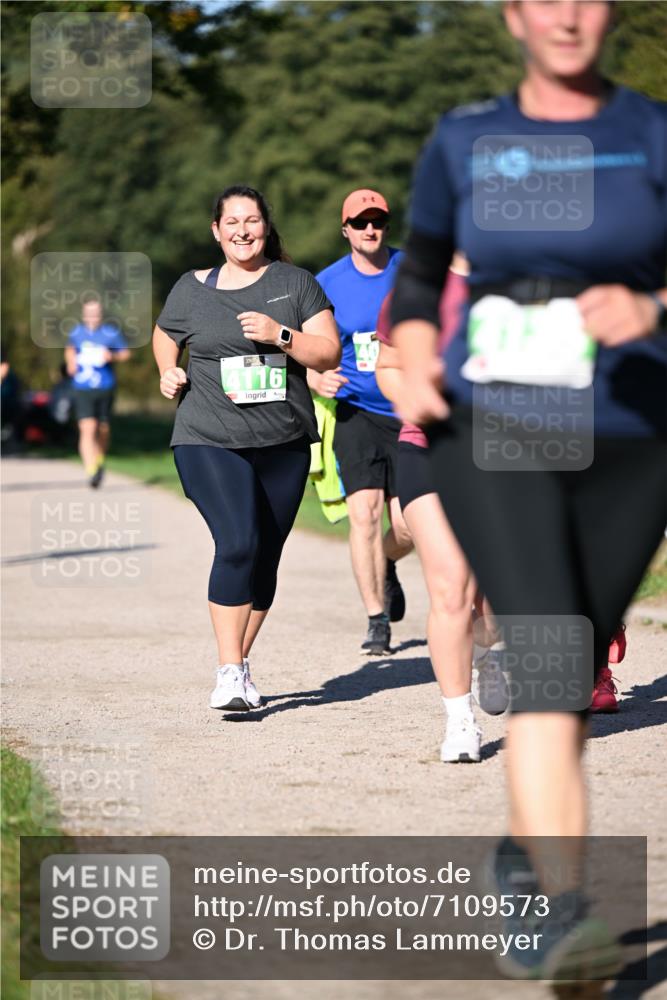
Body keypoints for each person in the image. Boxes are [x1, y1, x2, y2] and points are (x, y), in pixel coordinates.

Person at [391, 0, 666, 980]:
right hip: (494, 427)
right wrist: (417, 351)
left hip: (632, 439)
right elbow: (420, 277)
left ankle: (519, 859)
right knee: (548, 669)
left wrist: (651, 301)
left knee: (572, 669)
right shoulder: (467, 141)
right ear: (511, 15)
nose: (566, 14)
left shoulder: (648, 136)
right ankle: (564, 915)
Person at [153, 185, 340, 712]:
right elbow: (166, 334)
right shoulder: (192, 288)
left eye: (252, 221)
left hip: (282, 441)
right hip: (207, 436)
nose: (242, 230)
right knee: (238, 542)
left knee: (265, 557)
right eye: (231, 222)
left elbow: (326, 353)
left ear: (265, 226)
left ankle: (237, 664)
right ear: (216, 231)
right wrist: (167, 368)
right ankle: (229, 671)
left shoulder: (294, 283)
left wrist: (280, 334)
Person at [376, 255, 509, 764]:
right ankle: (460, 721)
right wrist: (411, 397)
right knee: (450, 584)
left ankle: (492, 649)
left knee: (488, 601)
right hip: (427, 447)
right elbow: (387, 365)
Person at [308, 189, 413, 657]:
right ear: (345, 228)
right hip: (354, 410)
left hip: (409, 409)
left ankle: (387, 563)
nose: (371, 229)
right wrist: (314, 376)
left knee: (410, 525)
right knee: (364, 515)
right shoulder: (325, 282)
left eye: (379, 221)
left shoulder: (413, 270)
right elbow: (308, 350)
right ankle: (376, 619)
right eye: (361, 222)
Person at [65, 298, 131, 488]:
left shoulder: (111, 333)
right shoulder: (76, 332)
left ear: (100, 314)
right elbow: (70, 349)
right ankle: (92, 470)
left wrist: (112, 356)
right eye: (89, 313)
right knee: (87, 428)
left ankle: (99, 458)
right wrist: (71, 362)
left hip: (105, 386)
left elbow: (125, 353)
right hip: (82, 387)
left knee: (103, 429)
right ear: (84, 314)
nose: (92, 317)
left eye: (95, 313)